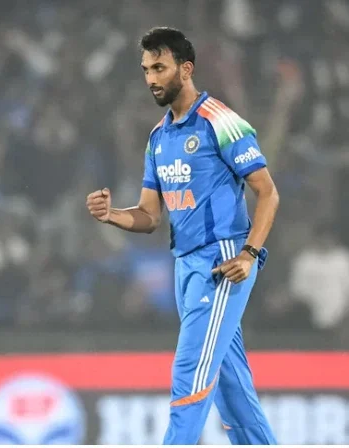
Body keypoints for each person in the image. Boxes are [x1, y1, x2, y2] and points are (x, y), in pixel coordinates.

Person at [86, 27, 279, 445]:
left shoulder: (220, 121)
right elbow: (149, 216)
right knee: (231, 386)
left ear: (186, 69)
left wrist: (249, 253)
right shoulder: (158, 137)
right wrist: (112, 215)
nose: (151, 79)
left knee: (190, 371)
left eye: (160, 68)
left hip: (222, 262)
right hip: (185, 265)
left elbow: (267, 192)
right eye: (146, 70)